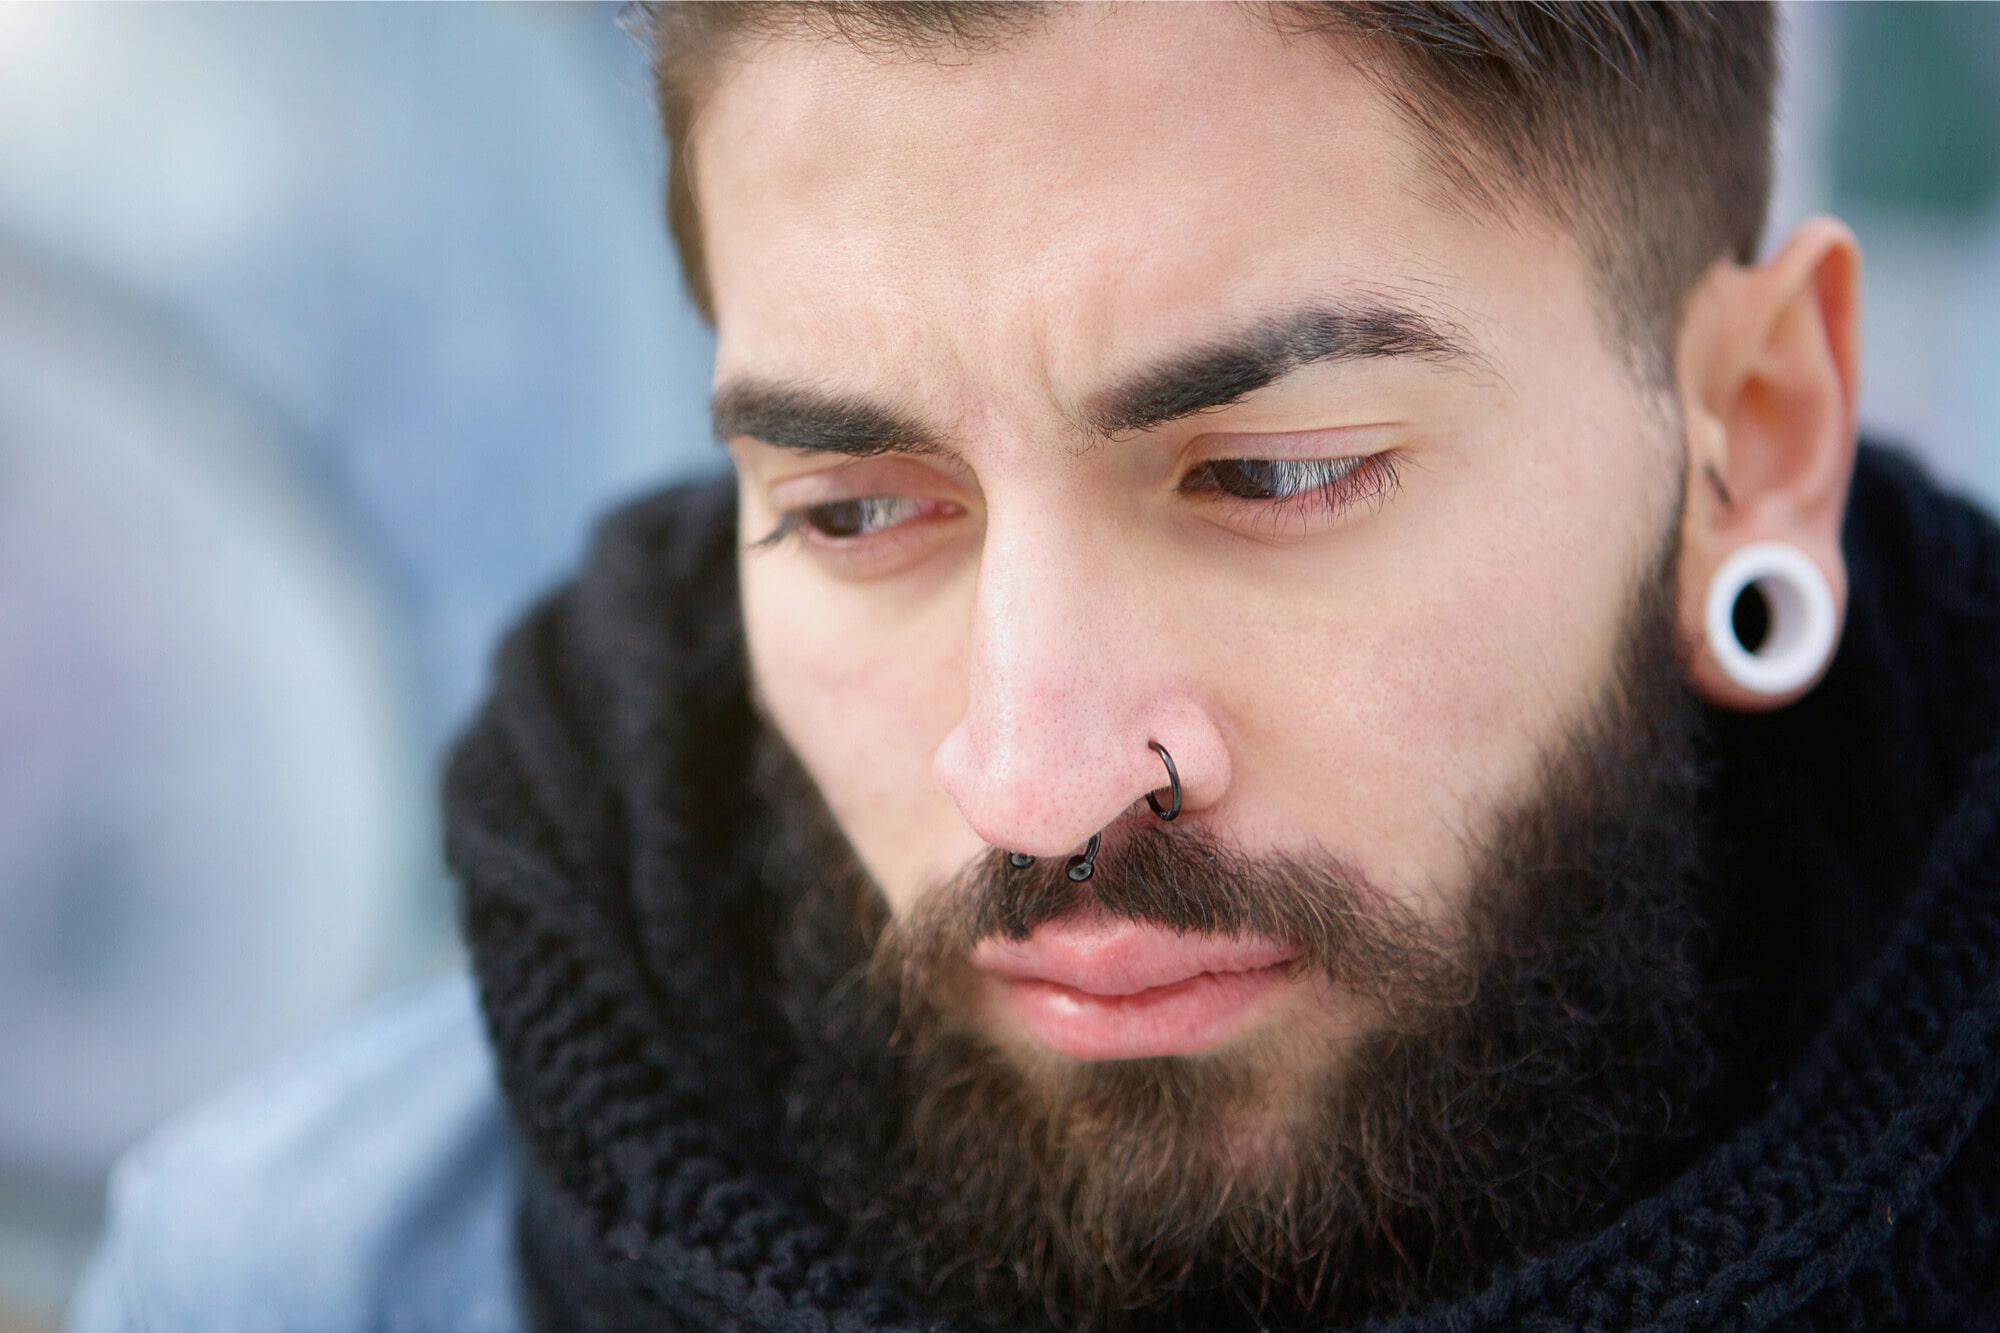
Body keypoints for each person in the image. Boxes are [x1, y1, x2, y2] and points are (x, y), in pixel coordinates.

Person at [72, 4, 2000, 1331]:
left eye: (1274, 475)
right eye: (856, 511)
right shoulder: (301, 1279)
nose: (1033, 775)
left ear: (1754, 438)